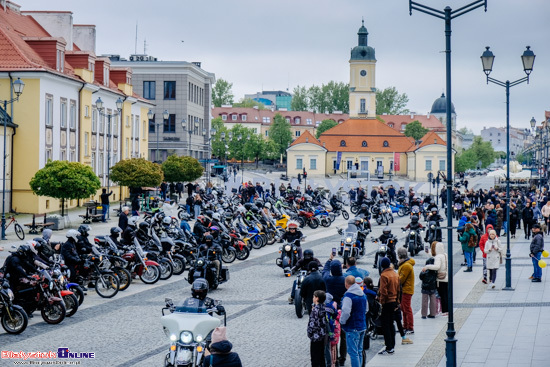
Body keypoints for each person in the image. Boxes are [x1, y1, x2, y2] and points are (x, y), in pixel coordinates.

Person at [322, 255, 347, 366]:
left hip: (331, 310)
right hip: (342, 309)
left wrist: (329, 260)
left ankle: (334, 358)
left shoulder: (328, 279)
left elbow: (325, 271)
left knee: (332, 334)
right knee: (343, 335)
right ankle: (343, 357)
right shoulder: (345, 279)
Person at [340, 275, 367, 367]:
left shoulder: (348, 296)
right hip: (362, 325)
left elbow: (346, 312)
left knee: (353, 353)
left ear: (346, 284)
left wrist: (342, 321)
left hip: (352, 327)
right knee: (359, 351)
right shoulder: (363, 294)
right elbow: (366, 309)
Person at [378, 257, 399, 355]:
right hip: (394, 301)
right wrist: (397, 302)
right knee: (391, 323)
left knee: (385, 325)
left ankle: (389, 347)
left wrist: (382, 302)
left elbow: (383, 291)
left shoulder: (384, 275)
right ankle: (392, 345)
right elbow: (399, 290)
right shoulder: (395, 274)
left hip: (387, 302)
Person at [422, 242, 448, 316]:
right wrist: (428, 253)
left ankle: (444, 311)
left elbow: (437, 266)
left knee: (442, 295)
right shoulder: (445, 255)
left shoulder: (438, 257)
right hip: (446, 277)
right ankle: (447, 310)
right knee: (446, 295)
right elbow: (436, 257)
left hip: (440, 279)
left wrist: (427, 267)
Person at [307, 290, 327, 367]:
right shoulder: (324, 307)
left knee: (315, 357)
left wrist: (310, 334)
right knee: (322, 356)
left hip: (315, 336)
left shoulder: (315, 310)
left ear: (317, 298)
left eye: (314, 296)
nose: (313, 298)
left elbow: (312, 324)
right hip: (322, 335)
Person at [397, 248, 415, 334]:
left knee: (407, 308)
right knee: (403, 308)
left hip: (406, 290)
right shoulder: (405, 264)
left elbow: (401, 279)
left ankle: (410, 327)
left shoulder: (406, 266)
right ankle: (405, 326)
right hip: (404, 290)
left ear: (399, 255)